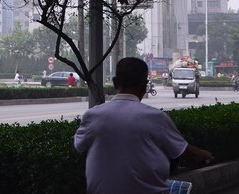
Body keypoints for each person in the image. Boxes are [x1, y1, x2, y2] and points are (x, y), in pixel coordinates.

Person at [74, 57, 213, 194]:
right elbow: (184, 152)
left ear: (115, 83)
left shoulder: (92, 116)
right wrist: (204, 154)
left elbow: (80, 146)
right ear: (144, 85)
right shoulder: (156, 118)